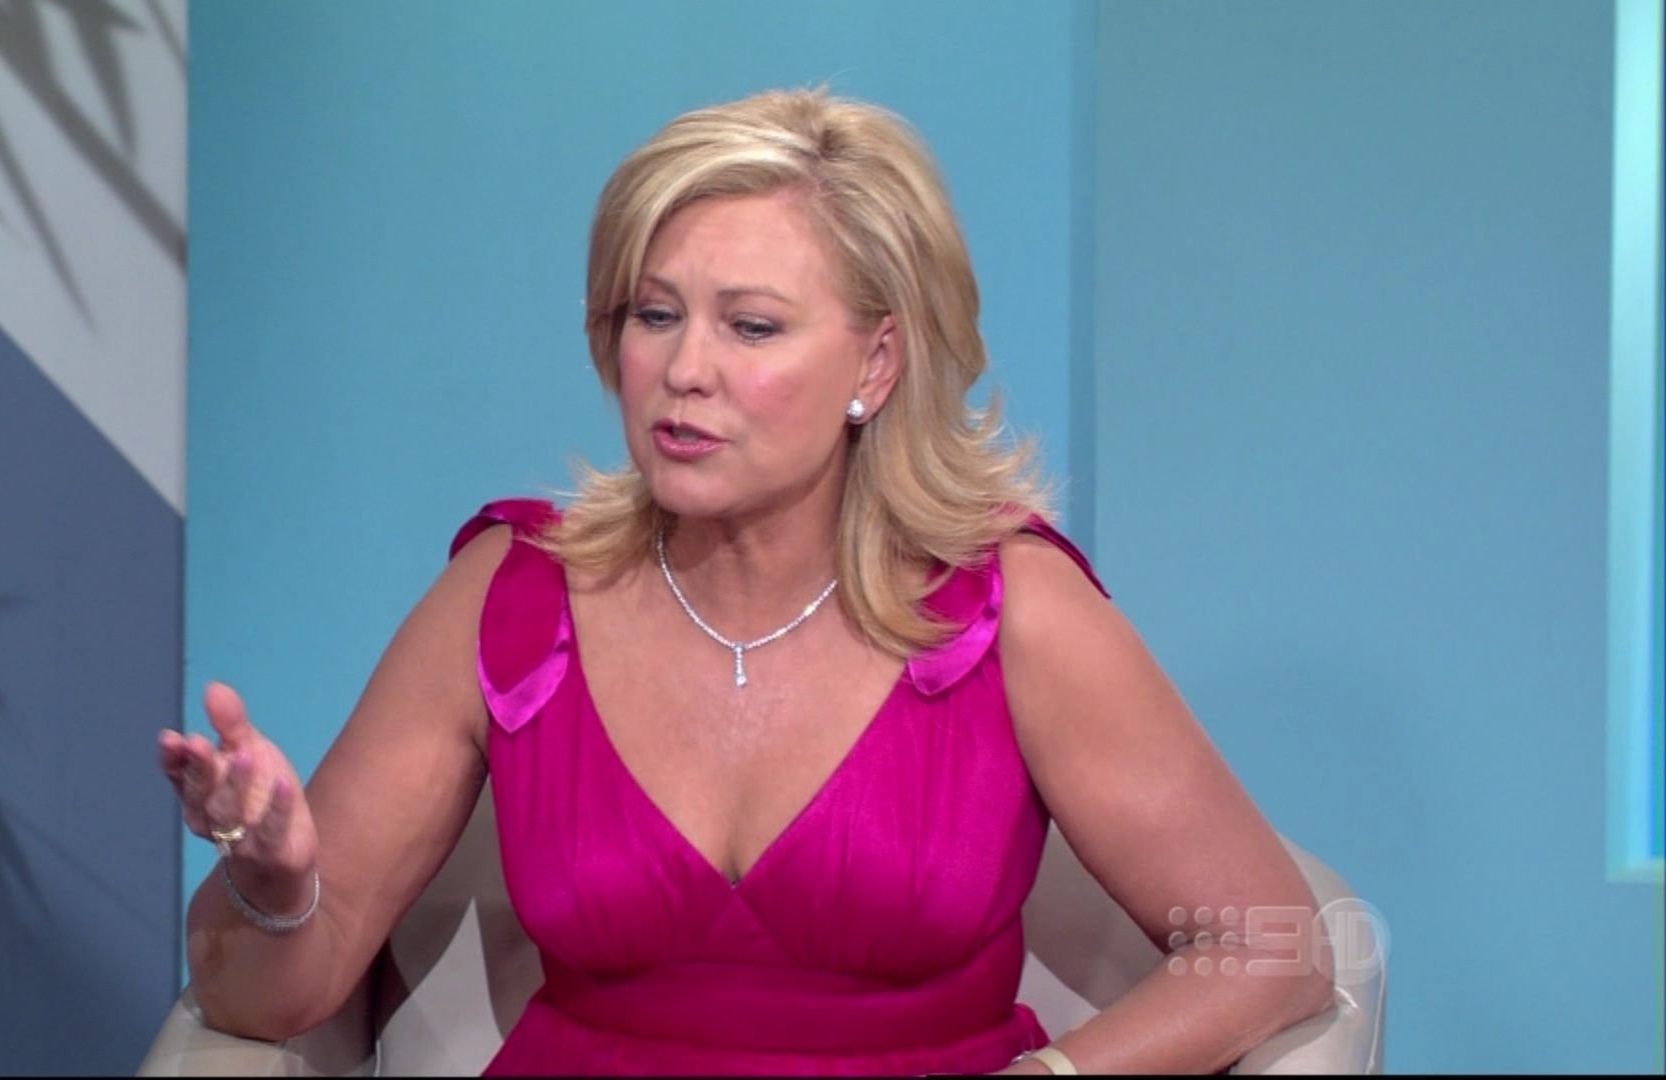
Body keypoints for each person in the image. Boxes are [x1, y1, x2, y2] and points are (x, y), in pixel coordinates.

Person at [157, 87, 1335, 1076]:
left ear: (877, 362)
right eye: (655, 314)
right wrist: (277, 885)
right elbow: (268, 1001)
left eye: (752, 327)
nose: (684, 369)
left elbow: (1274, 947)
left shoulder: (1012, 614)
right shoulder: (510, 600)